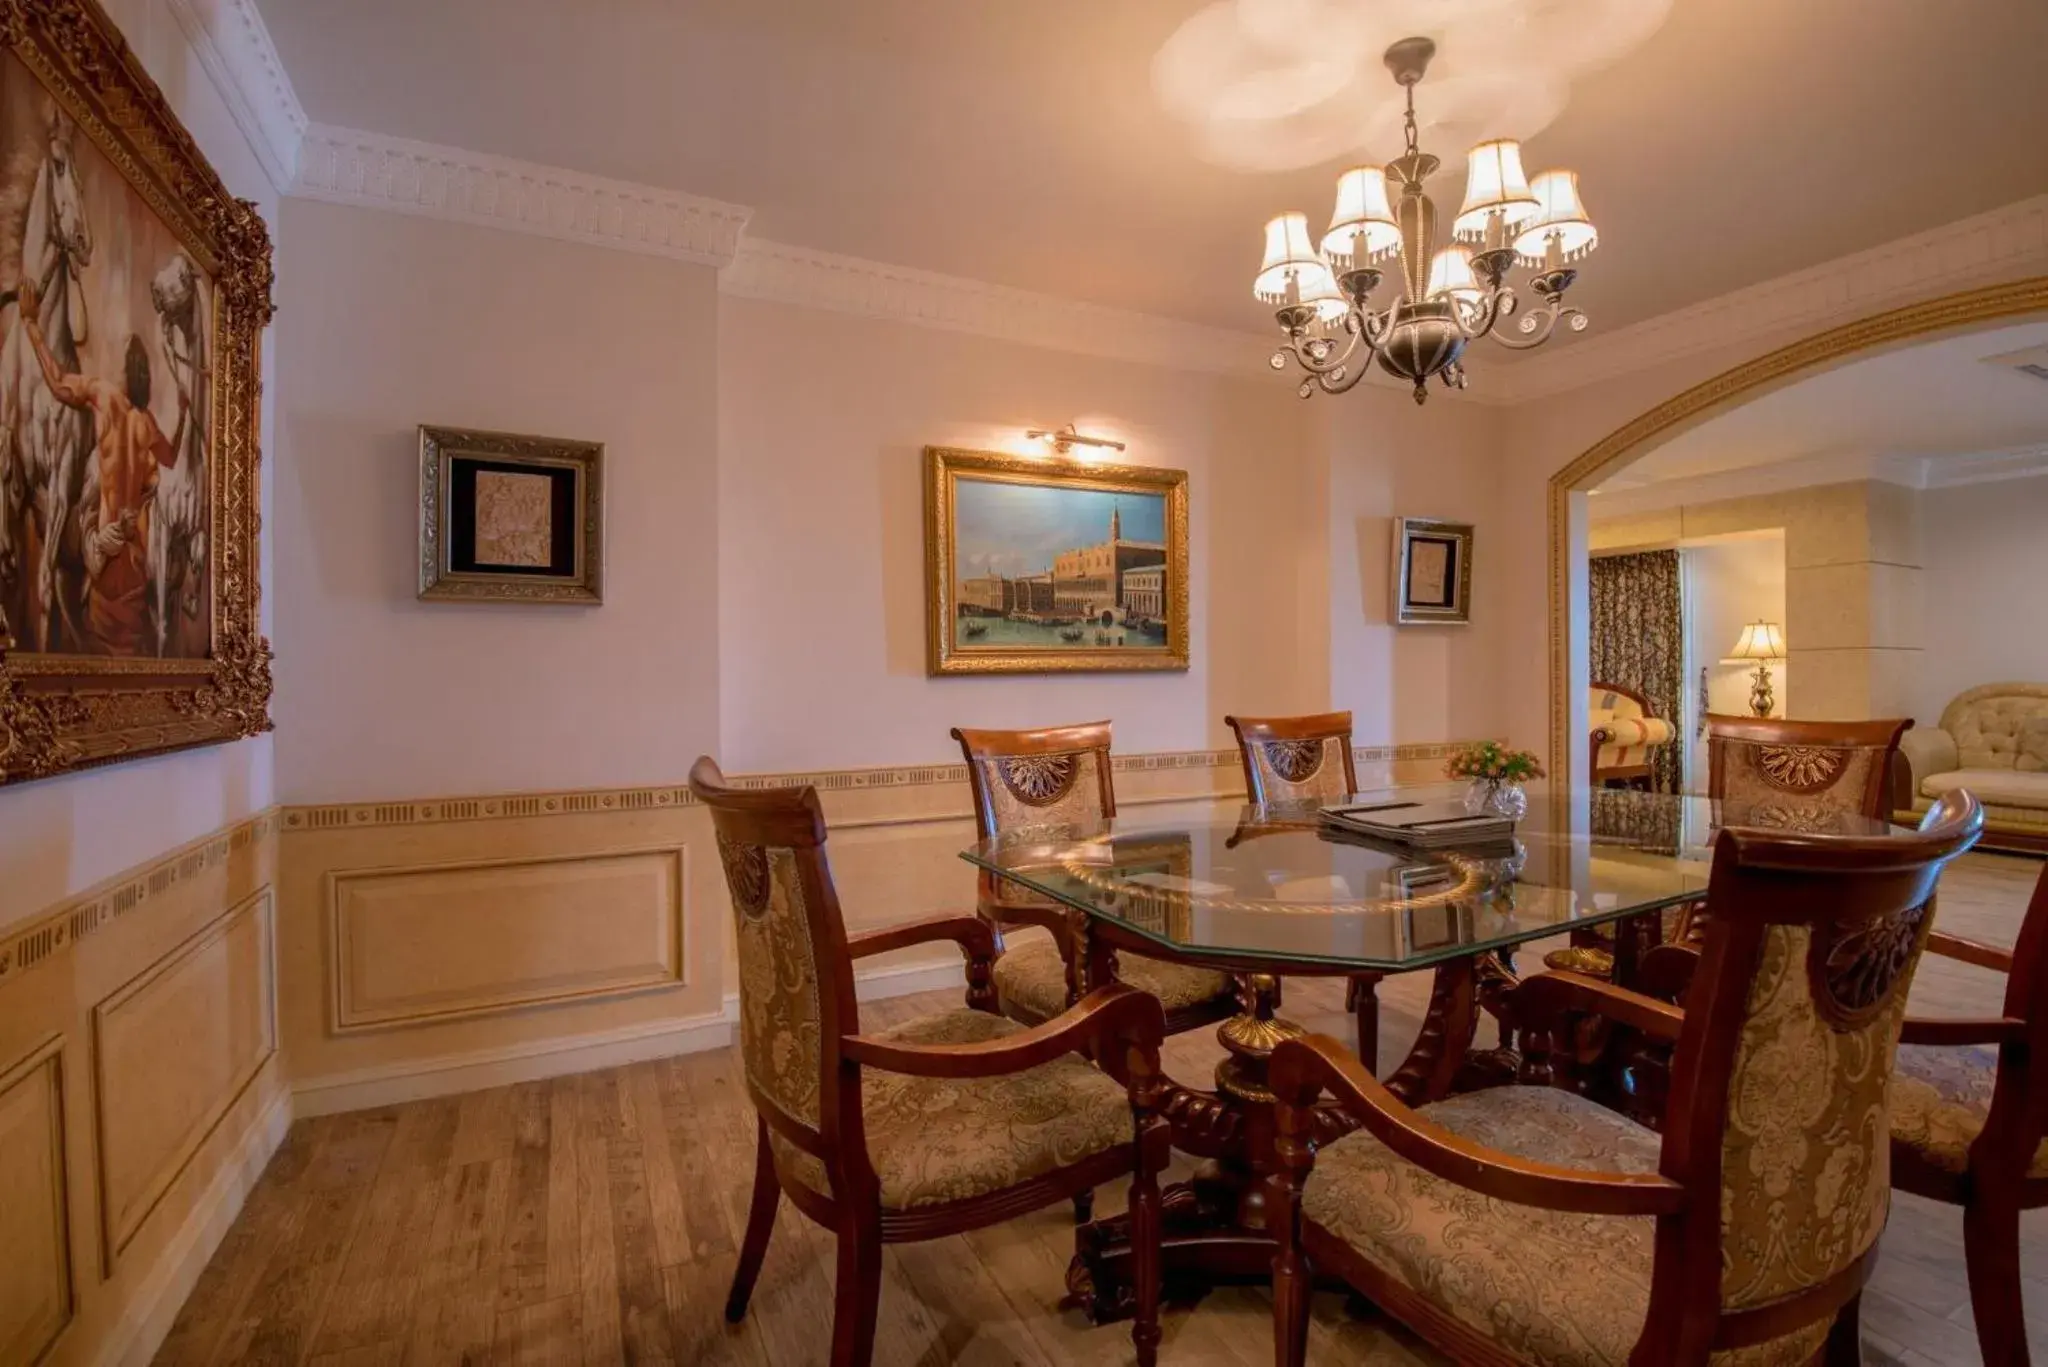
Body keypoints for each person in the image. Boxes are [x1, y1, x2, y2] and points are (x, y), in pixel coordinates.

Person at [16, 277, 186, 654]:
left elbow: (59, 383)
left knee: (103, 645)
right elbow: (172, 456)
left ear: (127, 371)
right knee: (127, 651)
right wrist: (186, 413)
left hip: (107, 553)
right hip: (134, 559)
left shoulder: (105, 397)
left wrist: (30, 324)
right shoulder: (147, 424)